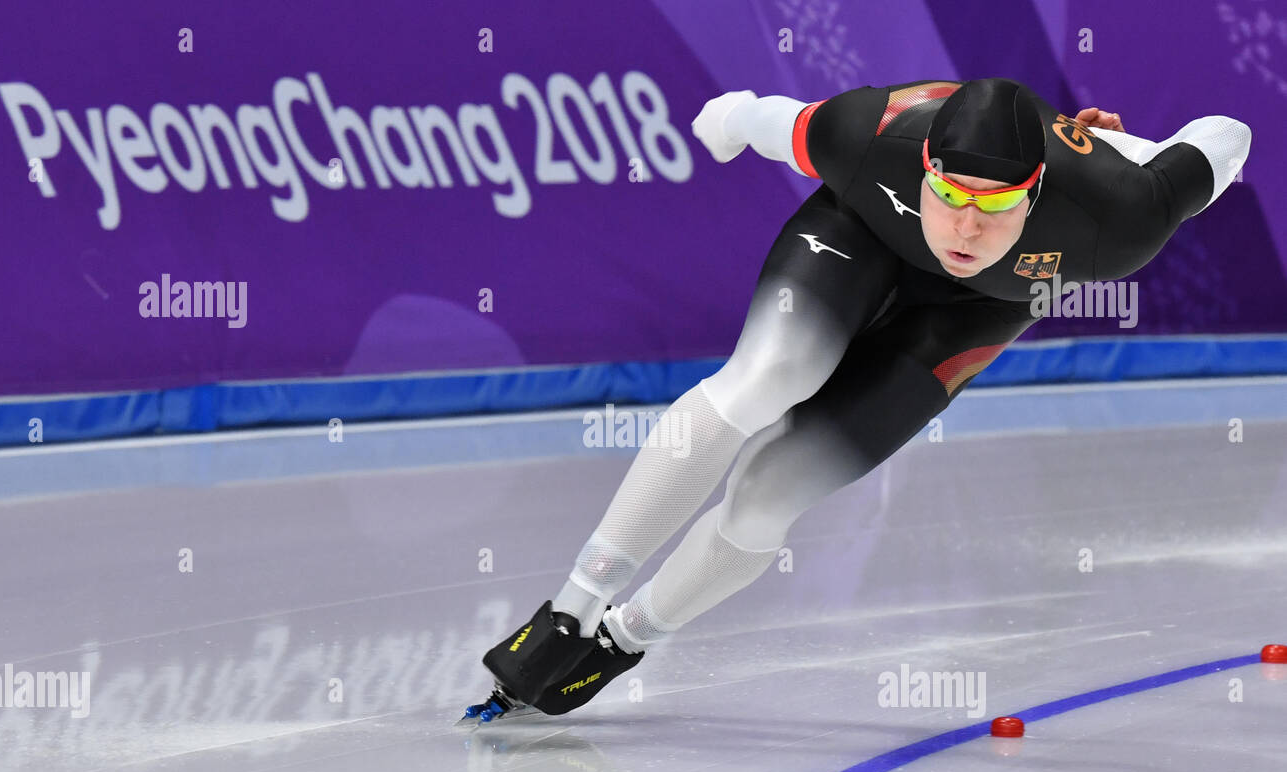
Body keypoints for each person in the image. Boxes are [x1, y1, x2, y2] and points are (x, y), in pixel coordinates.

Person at [464, 77, 1251, 722]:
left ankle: (622, 641)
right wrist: (727, 120)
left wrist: (1142, 159)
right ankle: (570, 607)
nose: (967, 227)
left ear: (1039, 190)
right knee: (769, 375)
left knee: (774, 489)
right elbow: (749, 115)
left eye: (997, 205)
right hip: (860, 234)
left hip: (973, 313)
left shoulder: (1117, 213)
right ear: (926, 166)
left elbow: (1229, 130)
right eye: (949, 193)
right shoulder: (871, 134)